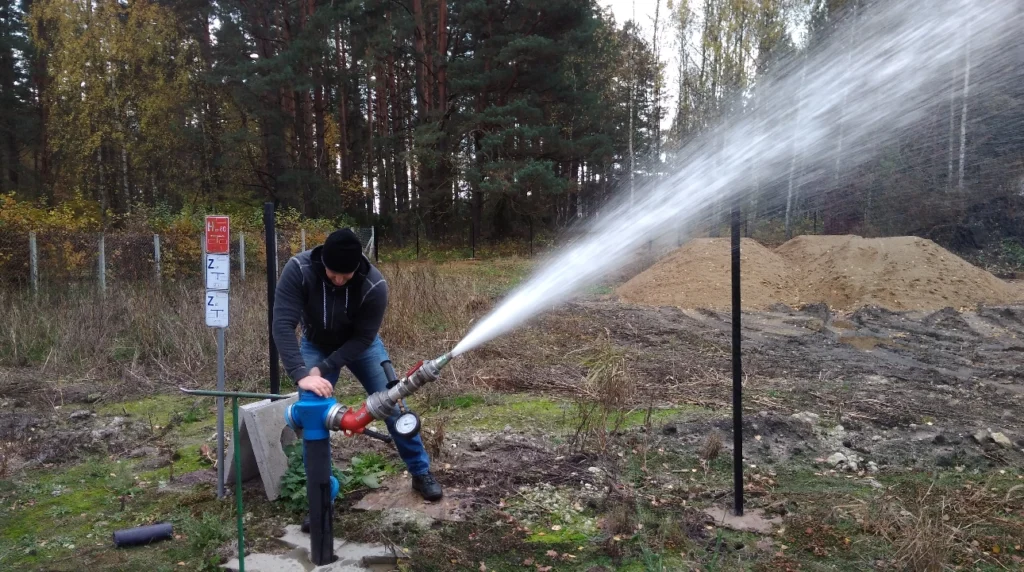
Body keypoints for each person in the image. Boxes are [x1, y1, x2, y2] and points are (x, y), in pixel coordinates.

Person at [272, 228, 442, 504]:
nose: (338, 280)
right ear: (322, 262)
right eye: (332, 274)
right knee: (313, 412)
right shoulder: (299, 270)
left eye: (346, 275)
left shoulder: (374, 285)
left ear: (357, 267)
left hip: (362, 346)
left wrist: (327, 365)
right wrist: (302, 373)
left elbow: (363, 337)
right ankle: (321, 493)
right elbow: (282, 324)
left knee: (394, 403)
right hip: (315, 343)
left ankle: (420, 471)